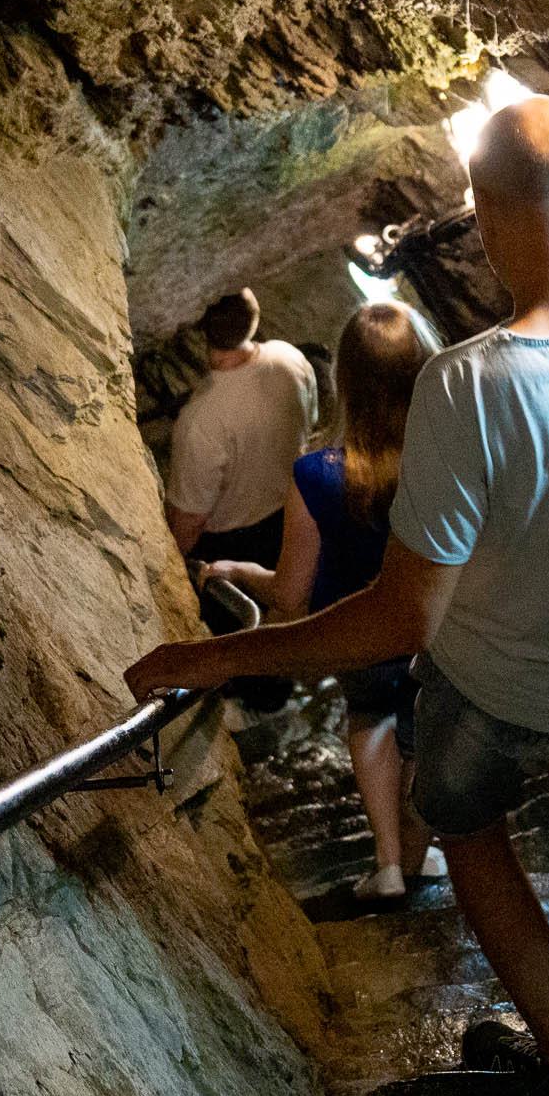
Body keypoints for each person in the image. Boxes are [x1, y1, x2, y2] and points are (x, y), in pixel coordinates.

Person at [126, 96, 549, 1069]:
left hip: (493, 686)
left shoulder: (468, 386)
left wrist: (215, 656)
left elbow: (403, 616)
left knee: (474, 833)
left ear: (482, 219)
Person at [206, 301, 449, 905]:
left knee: (371, 721)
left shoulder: (316, 475)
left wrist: (238, 571)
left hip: (360, 631)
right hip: (438, 625)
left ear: (345, 384)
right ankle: (421, 857)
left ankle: (389, 865)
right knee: (422, 728)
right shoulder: (450, 453)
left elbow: (289, 592)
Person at [165, 288, 317, 711]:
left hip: (234, 538)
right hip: (290, 512)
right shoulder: (289, 358)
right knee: (281, 614)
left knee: (239, 627)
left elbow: (189, 521)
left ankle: (246, 702)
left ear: (203, 331)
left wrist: (172, 563)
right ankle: (275, 695)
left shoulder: (201, 421)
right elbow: (311, 423)